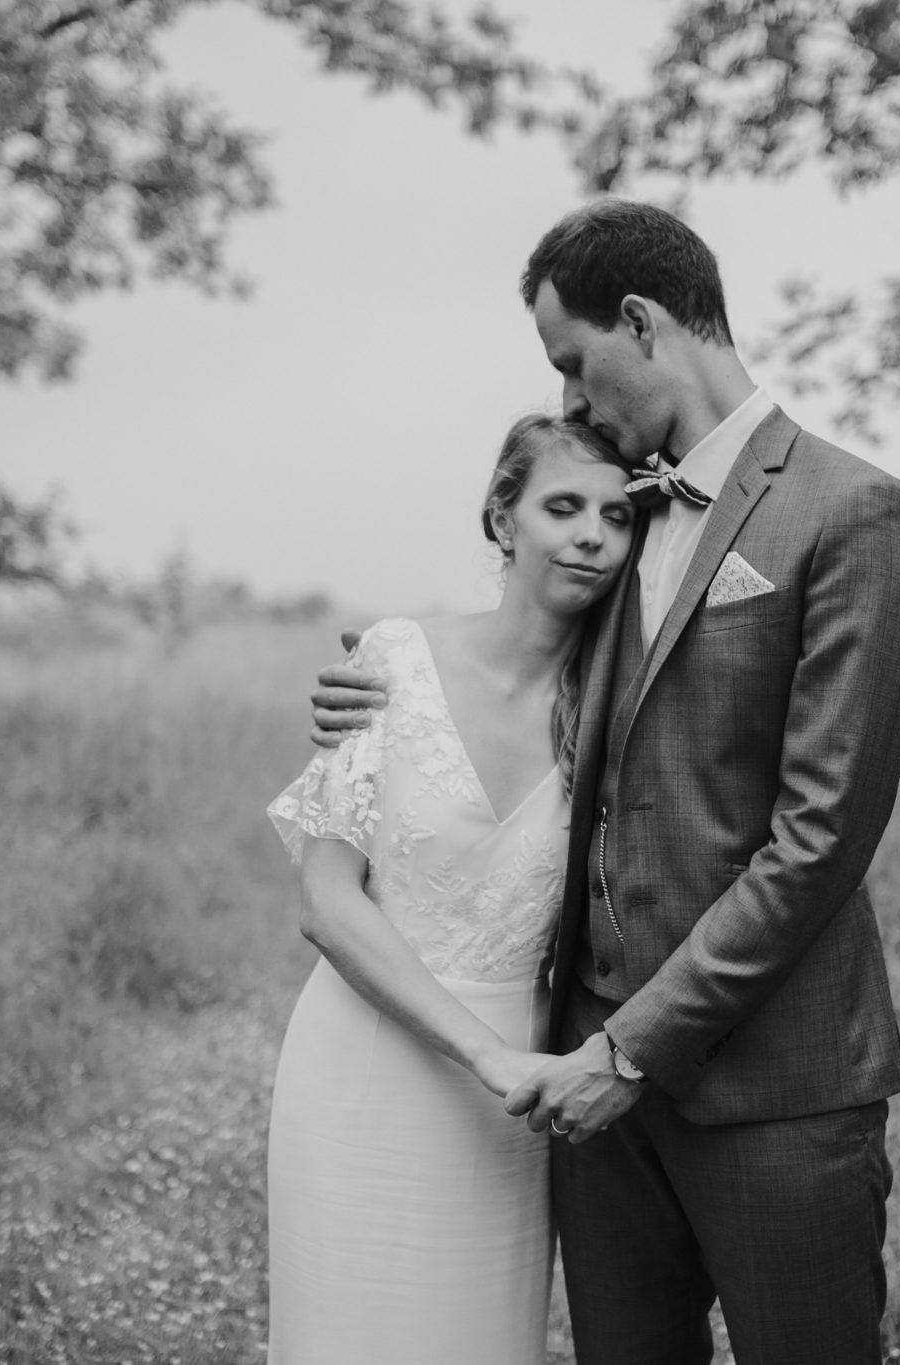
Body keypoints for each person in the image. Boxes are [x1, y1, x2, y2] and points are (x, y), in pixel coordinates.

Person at [311, 200, 900, 1364]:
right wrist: (377, 691)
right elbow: (506, 674)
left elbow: (819, 840)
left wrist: (629, 1051)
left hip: (770, 1086)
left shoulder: (850, 513)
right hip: (588, 1091)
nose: (567, 404)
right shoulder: (622, 506)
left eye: (574, 363)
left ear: (641, 323)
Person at [263, 414, 636, 1364]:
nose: (592, 533)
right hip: (366, 1066)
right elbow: (327, 901)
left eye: (618, 514)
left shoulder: (617, 705)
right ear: (502, 519)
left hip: (511, 1101)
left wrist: (514, 1069)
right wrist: (485, 1056)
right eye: (563, 506)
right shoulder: (391, 663)